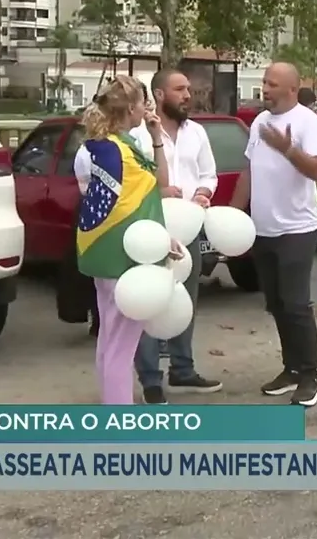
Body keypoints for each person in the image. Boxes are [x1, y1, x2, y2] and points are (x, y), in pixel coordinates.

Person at [73, 76, 180, 404]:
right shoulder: (124, 154)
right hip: (125, 259)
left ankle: (112, 408)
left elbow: (129, 201)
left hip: (99, 250)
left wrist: (154, 136)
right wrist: (161, 240)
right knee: (121, 348)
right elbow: (145, 198)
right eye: (144, 102)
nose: (147, 108)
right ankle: (120, 420)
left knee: (109, 340)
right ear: (131, 108)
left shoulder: (97, 147)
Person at [231, 62, 317, 407]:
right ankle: (291, 368)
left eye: (272, 84)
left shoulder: (309, 123)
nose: (265, 89)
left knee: (296, 304)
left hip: (296, 229)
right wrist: (233, 213)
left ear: (292, 89)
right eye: (264, 82)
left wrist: (288, 149)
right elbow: (249, 171)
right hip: (263, 229)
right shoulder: (260, 121)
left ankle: (310, 377)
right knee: (275, 303)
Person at [131, 69, 223, 404]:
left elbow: (209, 174)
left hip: (189, 228)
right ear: (158, 94)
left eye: (188, 89)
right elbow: (131, 182)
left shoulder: (196, 132)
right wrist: (158, 193)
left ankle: (183, 369)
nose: (187, 95)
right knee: (150, 300)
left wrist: (203, 192)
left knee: (186, 299)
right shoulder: (138, 135)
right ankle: (150, 379)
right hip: (151, 228)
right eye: (180, 89)